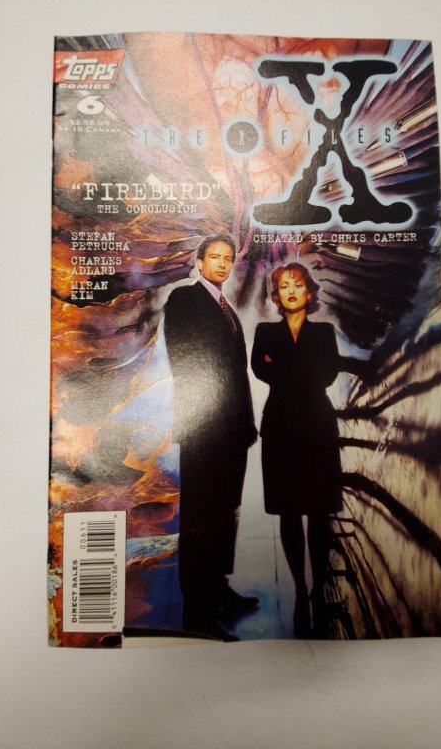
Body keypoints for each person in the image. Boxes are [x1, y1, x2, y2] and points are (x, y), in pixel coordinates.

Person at [164, 234, 258, 641]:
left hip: (233, 432)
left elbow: (237, 372)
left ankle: (218, 589)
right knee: (201, 519)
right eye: (214, 257)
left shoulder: (227, 308)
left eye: (228, 258)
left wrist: (246, 425)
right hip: (204, 430)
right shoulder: (185, 298)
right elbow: (188, 363)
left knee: (224, 514)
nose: (222, 264)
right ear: (199, 262)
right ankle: (198, 612)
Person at [251, 262, 342, 637]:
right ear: (276, 295)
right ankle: (301, 590)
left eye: (297, 284)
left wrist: (283, 365)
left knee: (319, 511)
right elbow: (260, 369)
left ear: (309, 291)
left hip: (318, 426)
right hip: (280, 428)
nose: (290, 291)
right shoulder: (265, 331)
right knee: (288, 511)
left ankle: (319, 586)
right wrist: (299, 367)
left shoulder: (324, 332)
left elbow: (328, 374)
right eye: (283, 286)